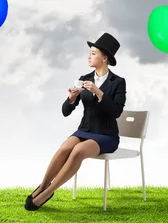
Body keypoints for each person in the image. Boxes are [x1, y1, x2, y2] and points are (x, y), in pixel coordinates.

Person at [24, 32, 127, 211]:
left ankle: (48, 193)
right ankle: (42, 186)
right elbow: (65, 112)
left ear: (105, 58)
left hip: (106, 135)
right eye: (89, 52)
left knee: (78, 151)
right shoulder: (84, 78)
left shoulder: (118, 82)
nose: (89, 56)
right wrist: (71, 99)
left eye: (93, 53)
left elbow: (116, 112)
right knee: (65, 147)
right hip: (85, 130)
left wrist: (99, 92)